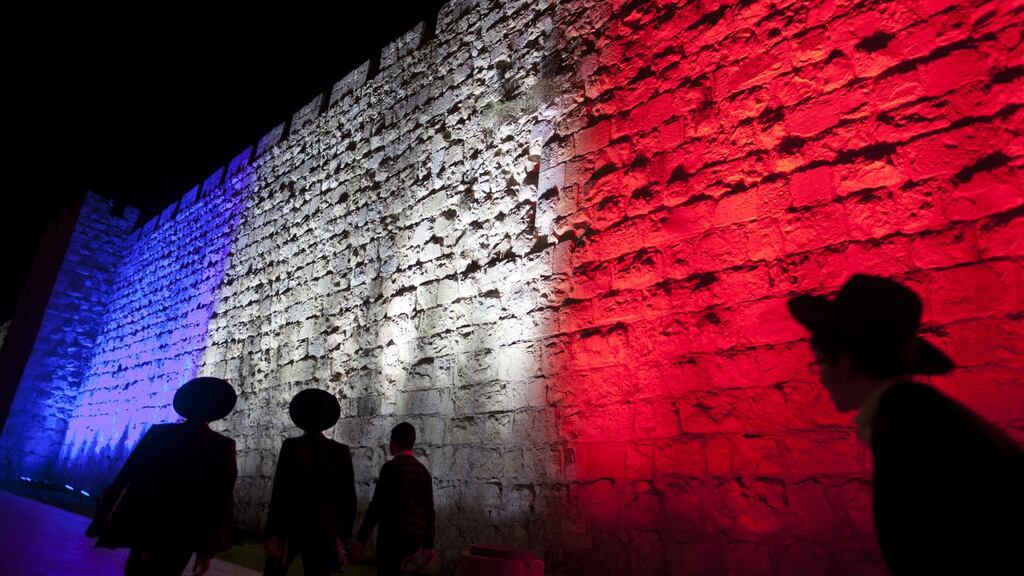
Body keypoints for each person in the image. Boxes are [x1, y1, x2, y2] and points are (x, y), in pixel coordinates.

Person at [788, 274, 1024, 574]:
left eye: (820, 362)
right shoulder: (916, 410)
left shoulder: (905, 424)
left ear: (844, 363)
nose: (819, 376)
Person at [86, 376, 238, 575]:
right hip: (185, 533)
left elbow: (127, 475)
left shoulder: (160, 434)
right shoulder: (223, 446)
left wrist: (101, 521)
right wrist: (206, 549)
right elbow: (221, 500)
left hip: (148, 525)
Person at [263, 388, 356, 576]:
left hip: (290, 526)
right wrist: (340, 536)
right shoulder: (340, 451)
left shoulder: (292, 446)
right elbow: (347, 498)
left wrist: (272, 531)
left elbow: (280, 491)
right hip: (323, 530)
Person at [353, 422, 436, 576]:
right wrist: (429, 544)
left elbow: (377, 505)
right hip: (415, 536)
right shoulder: (423, 471)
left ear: (394, 442)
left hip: (393, 535)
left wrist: (361, 539)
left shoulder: (391, 468)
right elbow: (429, 509)